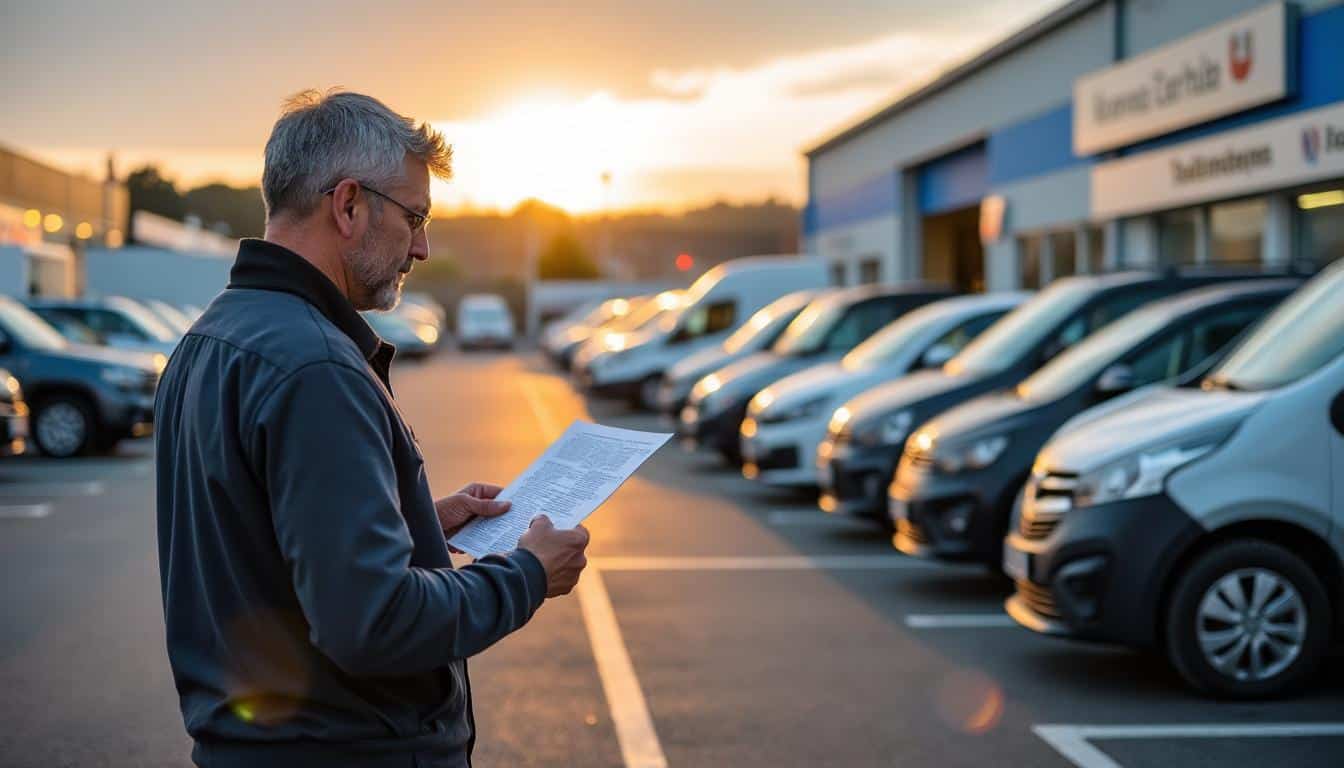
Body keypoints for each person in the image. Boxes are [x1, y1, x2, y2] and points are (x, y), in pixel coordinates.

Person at [154, 89, 590, 768]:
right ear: (349, 205)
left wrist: (414, 524)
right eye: (414, 217)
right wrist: (526, 574)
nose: (423, 247)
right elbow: (375, 622)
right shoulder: (316, 367)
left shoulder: (206, 341)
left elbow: (261, 547)